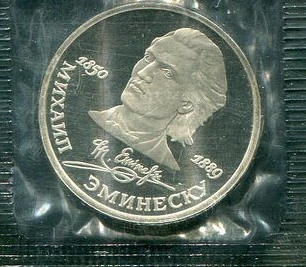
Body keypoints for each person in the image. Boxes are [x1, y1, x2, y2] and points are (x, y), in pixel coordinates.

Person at [90, 28, 228, 171]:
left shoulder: (170, 168)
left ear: (186, 104)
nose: (142, 73)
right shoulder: (86, 118)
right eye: (148, 58)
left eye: (167, 72)